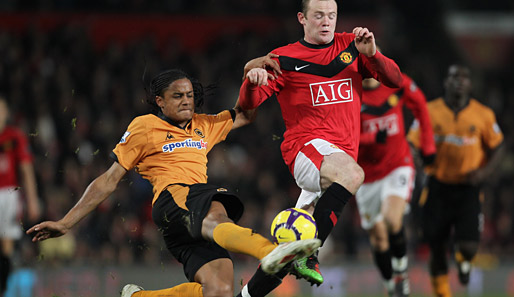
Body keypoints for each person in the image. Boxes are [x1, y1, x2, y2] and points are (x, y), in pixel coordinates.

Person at [26, 67, 321, 297]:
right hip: (173, 198)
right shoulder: (144, 127)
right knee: (216, 213)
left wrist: (250, 80)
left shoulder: (203, 125)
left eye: (190, 95)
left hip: (186, 216)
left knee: (217, 291)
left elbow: (245, 114)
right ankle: (273, 252)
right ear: (160, 101)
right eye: (178, 96)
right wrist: (66, 223)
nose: (186, 101)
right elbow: (109, 179)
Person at [236, 0, 403, 295]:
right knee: (353, 175)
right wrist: (252, 82)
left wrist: (373, 53)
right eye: (318, 16)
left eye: (332, 16)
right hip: (306, 149)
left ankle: (247, 294)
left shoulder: (352, 46)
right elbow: (248, 106)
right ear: (302, 18)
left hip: (336, 161)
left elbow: (394, 79)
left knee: (285, 256)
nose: (326, 22)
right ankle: (309, 254)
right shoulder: (283, 58)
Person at [408, 65, 505, 297]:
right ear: (446, 82)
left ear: (470, 85)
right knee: (436, 247)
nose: (459, 81)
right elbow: (411, 142)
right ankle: (443, 293)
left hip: (468, 187)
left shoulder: (483, 115)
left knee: (469, 246)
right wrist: (416, 160)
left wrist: (484, 173)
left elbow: (499, 147)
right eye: (454, 77)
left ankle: (464, 260)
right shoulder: (429, 111)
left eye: (464, 77)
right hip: (437, 185)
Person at [356, 70, 436, 296]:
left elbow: (420, 103)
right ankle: (391, 286)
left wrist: (428, 146)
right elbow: (342, 135)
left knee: (393, 220)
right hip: (366, 175)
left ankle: (401, 272)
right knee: (378, 238)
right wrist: (371, 138)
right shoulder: (350, 92)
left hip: (397, 164)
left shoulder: (396, 82)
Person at [0, 96, 41, 297]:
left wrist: (32, 200)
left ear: (6, 113)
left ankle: (3, 286)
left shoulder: (14, 137)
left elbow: (26, 169)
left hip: (8, 194)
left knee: (6, 243)